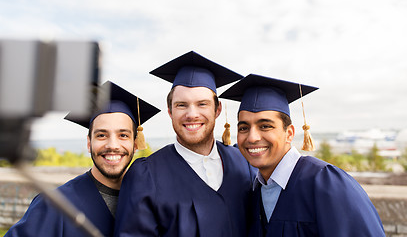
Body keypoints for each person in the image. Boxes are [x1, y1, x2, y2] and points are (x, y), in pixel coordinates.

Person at [219, 74, 385, 236]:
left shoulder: (326, 183)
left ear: (289, 133)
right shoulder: (255, 192)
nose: (252, 137)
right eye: (243, 128)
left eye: (265, 126)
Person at [115, 51, 256, 237]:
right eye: (181, 105)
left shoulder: (244, 162)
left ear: (217, 109)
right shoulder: (145, 175)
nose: (192, 114)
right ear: (170, 111)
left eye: (202, 104)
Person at [5, 81, 160, 237]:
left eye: (123, 135)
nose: (113, 145)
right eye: (101, 135)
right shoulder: (56, 204)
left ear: (135, 143)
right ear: (88, 143)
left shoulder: (154, 201)